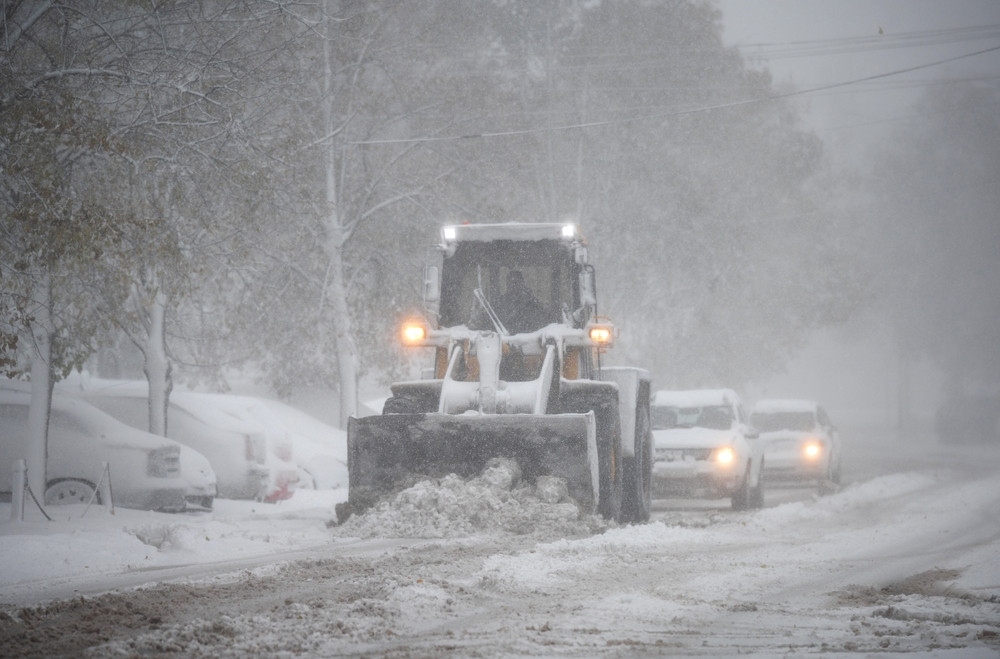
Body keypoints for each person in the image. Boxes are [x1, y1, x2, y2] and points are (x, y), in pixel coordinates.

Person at [496, 270, 547, 334]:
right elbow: (493, 326)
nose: (513, 286)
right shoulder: (500, 304)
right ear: (507, 285)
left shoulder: (533, 304)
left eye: (516, 283)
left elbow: (542, 325)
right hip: (503, 340)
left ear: (522, 284)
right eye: (510, 283)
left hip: (531, 340)